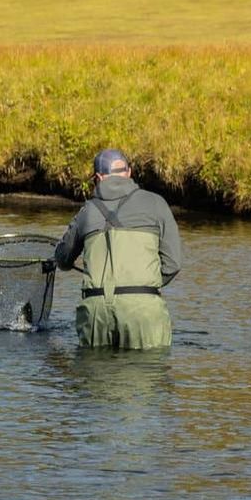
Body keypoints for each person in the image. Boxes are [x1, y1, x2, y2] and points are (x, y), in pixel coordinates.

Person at [50, 148, 183, 350]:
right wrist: (144, 289)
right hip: (144, 311)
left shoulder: (86, 211)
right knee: (148, 376)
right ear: (128, 172)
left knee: (95, 378)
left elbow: (63, 260)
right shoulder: (156, 204)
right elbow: (173, 264)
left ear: (98, 178)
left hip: (96, 310)